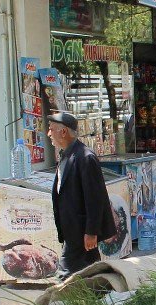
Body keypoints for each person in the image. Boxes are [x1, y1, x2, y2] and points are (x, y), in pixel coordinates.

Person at [46, 112, 117, 277]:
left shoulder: (85, 157)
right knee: (90, 271)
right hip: (71, 228)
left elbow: (95, 198)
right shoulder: (67, 155)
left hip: (81, 230)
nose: (49, 134)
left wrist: (91, 232)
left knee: (66, 272)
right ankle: (99, 297)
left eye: (51, 130)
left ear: (63, 132)